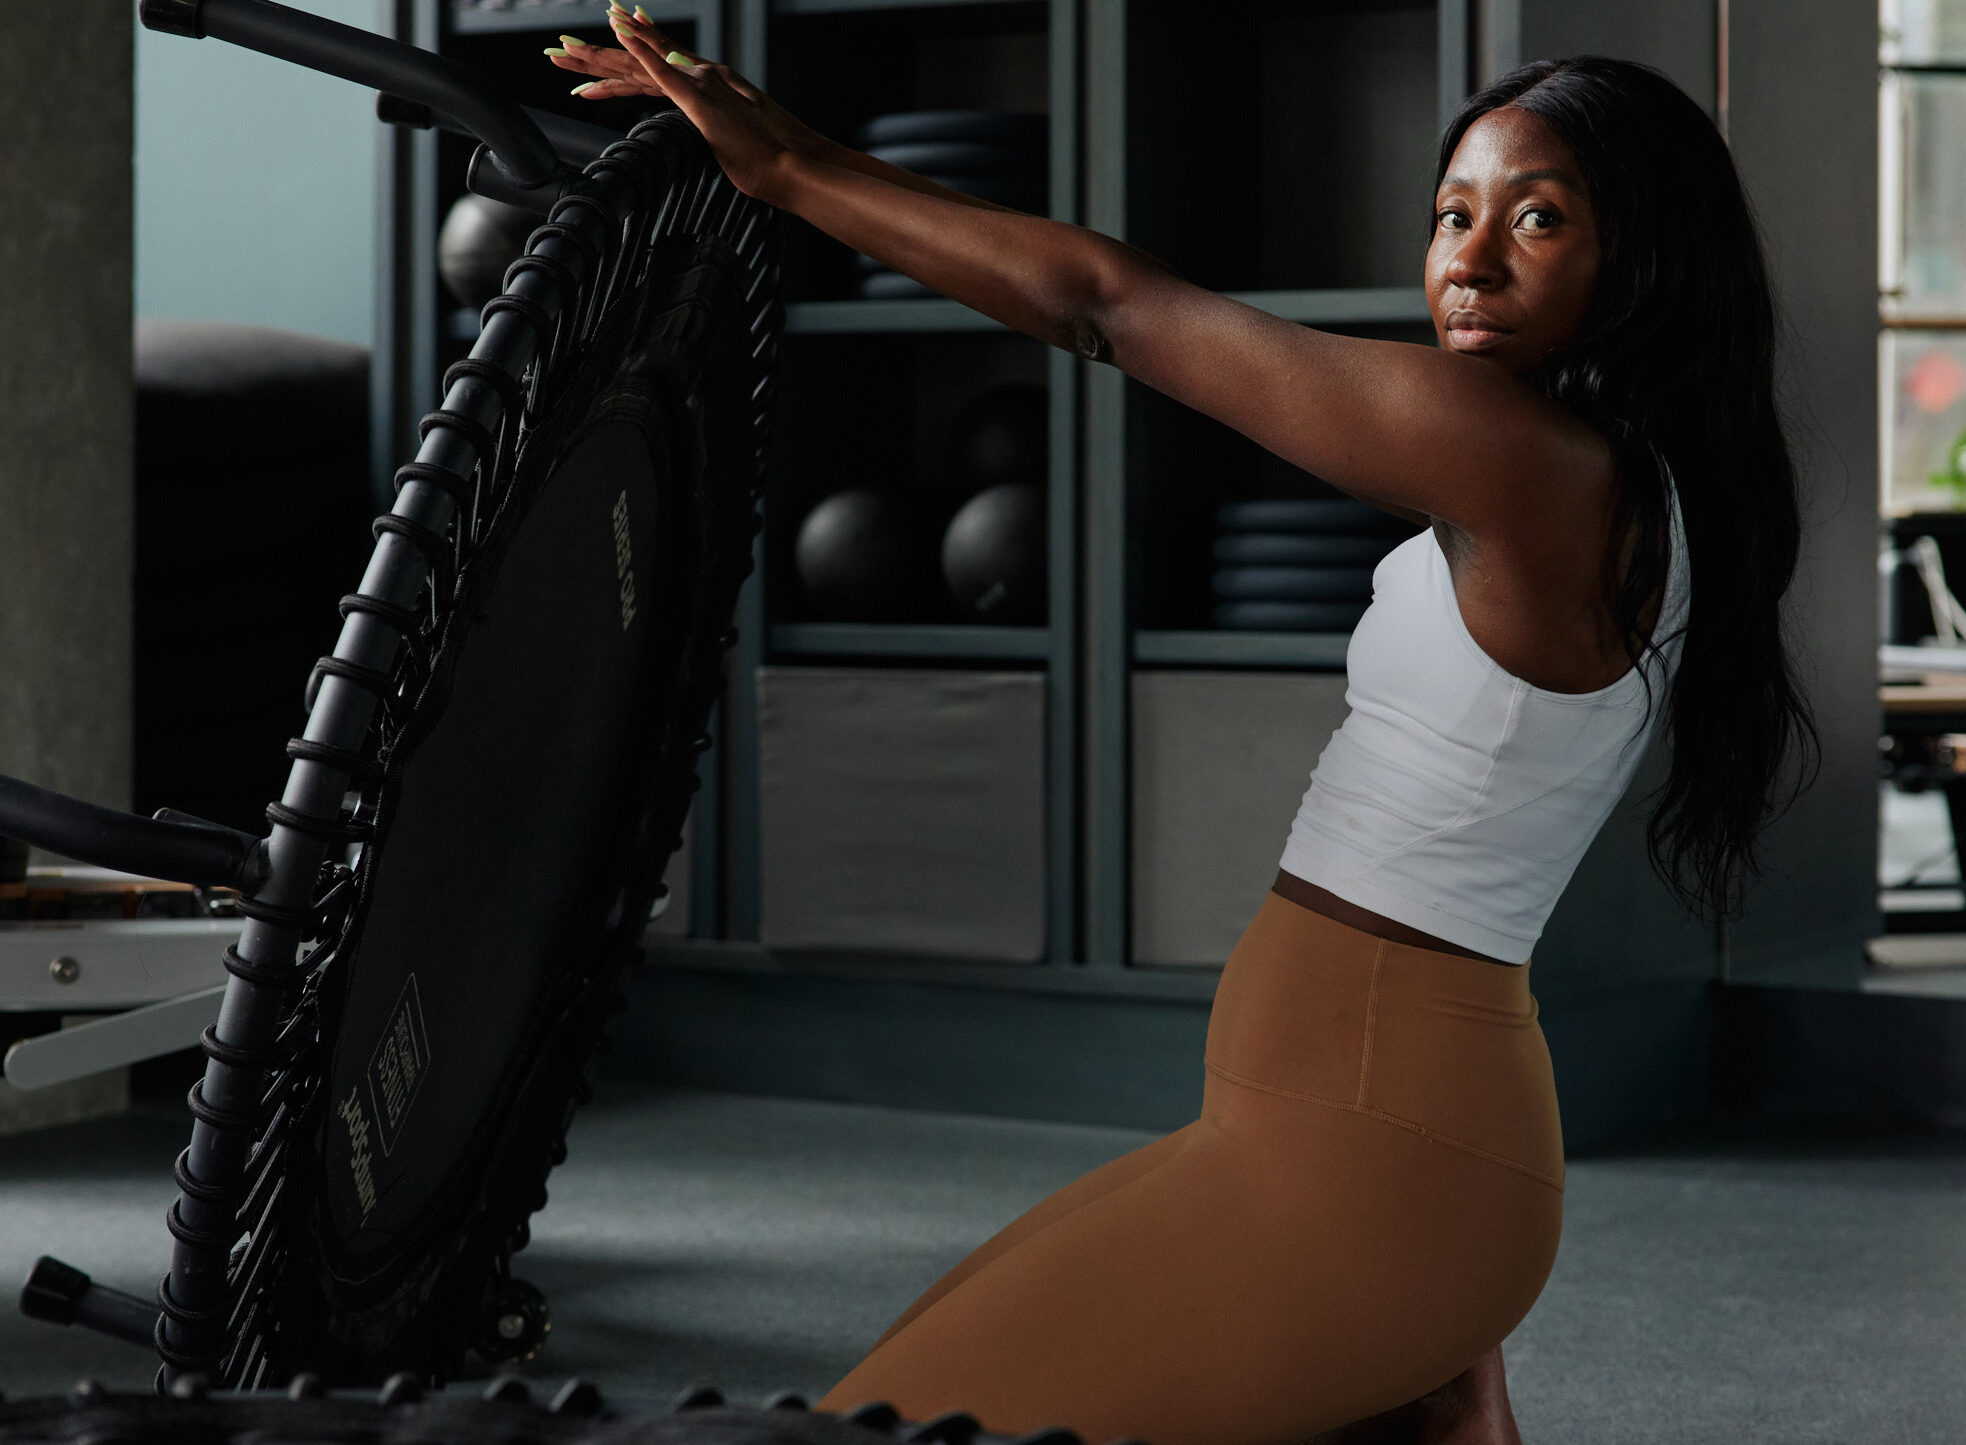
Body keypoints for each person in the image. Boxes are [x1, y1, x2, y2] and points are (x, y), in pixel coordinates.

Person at [550, 16, 1819, 1444]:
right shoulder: (1623, 484)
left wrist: (783, 171)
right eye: (1451, 213)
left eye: (1538, 219)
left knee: (876, 1425)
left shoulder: (1521, 459)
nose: (1469, 258)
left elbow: (1109, 306)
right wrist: (797, 148)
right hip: (1378, 1138)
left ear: (1642, 256)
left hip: (1364, 1152)